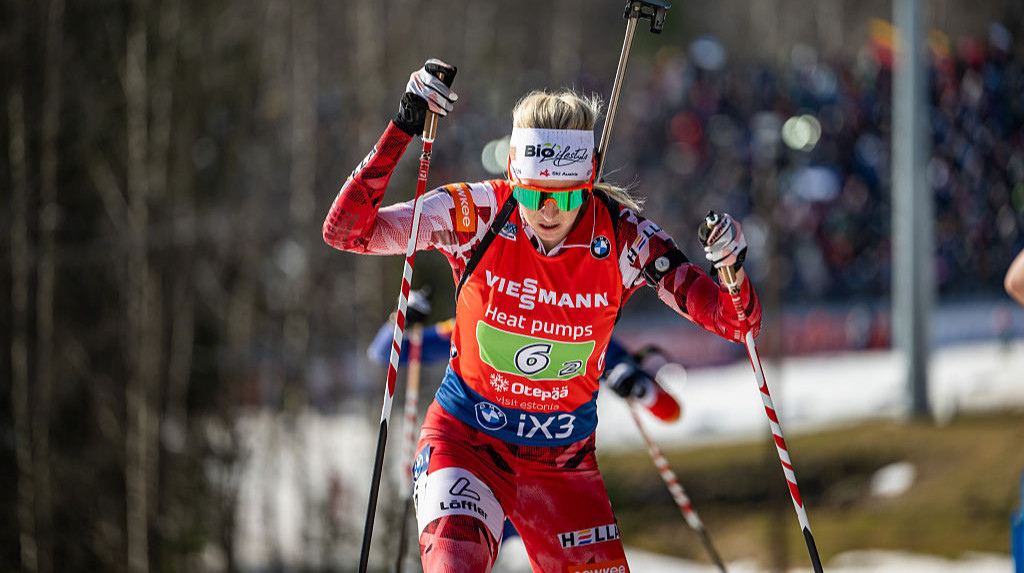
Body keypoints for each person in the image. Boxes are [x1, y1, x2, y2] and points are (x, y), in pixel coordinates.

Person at [323, 59, 761, 573]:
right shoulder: (478, 214)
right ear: (513, 174)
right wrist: (403, 125)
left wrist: (731, 268)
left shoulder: (624, 238)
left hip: (563, 466)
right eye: (531, 193)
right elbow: (348, 231)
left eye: (566, 196)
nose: (546, 212)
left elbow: (737, 324)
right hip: (468, 442)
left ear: (589, 181)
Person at [368, 288, 682, 422]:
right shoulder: (482, 323)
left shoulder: (575, 327)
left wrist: (641, 390)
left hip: (550, 463)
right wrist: (402, 315)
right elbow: (385, 352)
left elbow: (670, 412)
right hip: (489, 450)